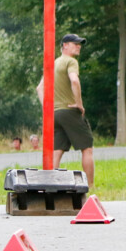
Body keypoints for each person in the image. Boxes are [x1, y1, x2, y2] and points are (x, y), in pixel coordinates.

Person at [36, 33, 95, 188]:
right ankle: (90, 185)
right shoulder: (71, 62)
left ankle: (50, 185)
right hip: (69, 111)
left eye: (79, 44)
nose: (78, 46)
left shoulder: (53, 63)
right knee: (87, 148)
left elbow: (40, 88)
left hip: (54, 114)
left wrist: (47, 109)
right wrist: (79, 104)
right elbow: (74, 81)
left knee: (57, 150)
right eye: (75, 43)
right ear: (64, 46)